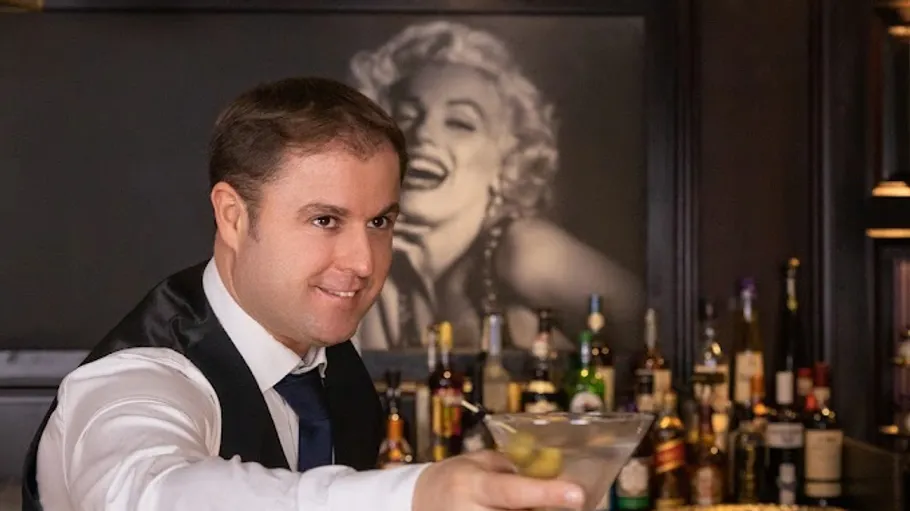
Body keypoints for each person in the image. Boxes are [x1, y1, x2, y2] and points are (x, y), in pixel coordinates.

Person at [20, 77, 586, 511]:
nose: (364, 262)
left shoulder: (327, 360)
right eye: (324, 220)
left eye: (381, 222)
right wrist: (411, 495)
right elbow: (152, 493)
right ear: (233, 217)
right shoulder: (139, 376)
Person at [349, 21, 644, 353]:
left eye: (460, 123)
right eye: (405, 116)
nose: (423, 134)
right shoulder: (381, 269)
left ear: (509, 160)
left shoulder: (526, 252)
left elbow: (661, 330)